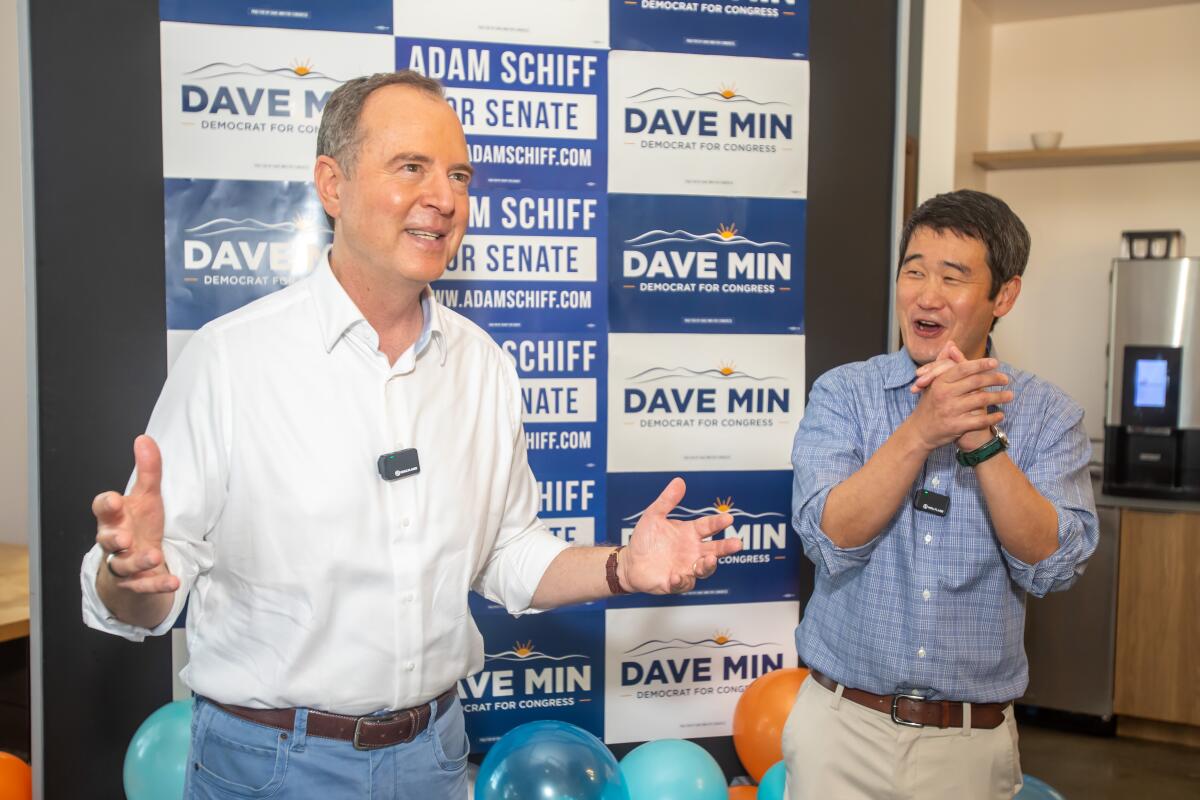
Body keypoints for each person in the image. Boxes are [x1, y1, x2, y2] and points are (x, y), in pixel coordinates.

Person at [80, 70, 741, 800]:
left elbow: (509, 555)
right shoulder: (230, 360)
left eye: (458, 174)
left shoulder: (483, 367)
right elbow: (149, 585)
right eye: (411, 168)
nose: (445, 198)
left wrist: (623, 566)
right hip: (268, 770)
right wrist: (128, 574)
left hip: (432, 758)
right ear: (332, 185)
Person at [783, 190, 1099, 799]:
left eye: (952, 277)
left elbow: (1052, 565)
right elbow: (829, 538)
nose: (926, 295)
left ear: (1003, 295)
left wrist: (980, 435)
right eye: (914, 271)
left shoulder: (1048, 415)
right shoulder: (844, 394)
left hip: (968, 748)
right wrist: (921, 429)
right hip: (841, 732)